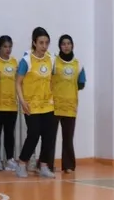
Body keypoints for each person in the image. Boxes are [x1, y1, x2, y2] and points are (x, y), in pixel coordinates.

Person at [15, 27, 57, 178]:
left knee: (49, 136)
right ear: (34, 43)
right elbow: (18, 82)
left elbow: (53, 80)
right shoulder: (26, 60)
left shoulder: (51, 59)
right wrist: (22, 101)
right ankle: (22, 163)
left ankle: (43, 166)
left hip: (48, 105)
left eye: (46, 43)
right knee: (33, 134)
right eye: (41, 43)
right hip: (31, 105)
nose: (44, 46)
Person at [52, 34, 86, 174]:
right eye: (63, 44)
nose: (66, 46)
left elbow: (81, 83)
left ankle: (68, 165)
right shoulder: (53, 62)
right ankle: (47, 165)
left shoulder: (78, 64)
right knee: (50, 137)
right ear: (59, 46)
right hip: (54, 105)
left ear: (72, 45)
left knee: (68, 138)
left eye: (68, 43)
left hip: (70, 106)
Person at [0, 35, 19, 171]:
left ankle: (10, 159)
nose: (8, 49)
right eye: (5, 47)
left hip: (11, 105)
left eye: (10, 47)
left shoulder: (15, 62)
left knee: (9, 133)